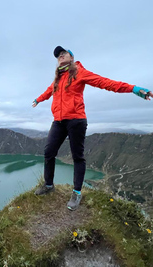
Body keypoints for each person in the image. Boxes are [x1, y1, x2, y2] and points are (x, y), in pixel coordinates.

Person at [32, 46, 152, 211]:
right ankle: (49, 185)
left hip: (76, 120)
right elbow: (49, 91)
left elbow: (106, 83)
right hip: (59, 121)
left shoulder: (80, 72)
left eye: (63, 54)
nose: (60, 56)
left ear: (71, 57)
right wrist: (38, 100)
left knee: (77, 157)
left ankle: (76, 192)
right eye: (58, 56)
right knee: (48, 152)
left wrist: (133, 89)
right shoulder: (58, 78)